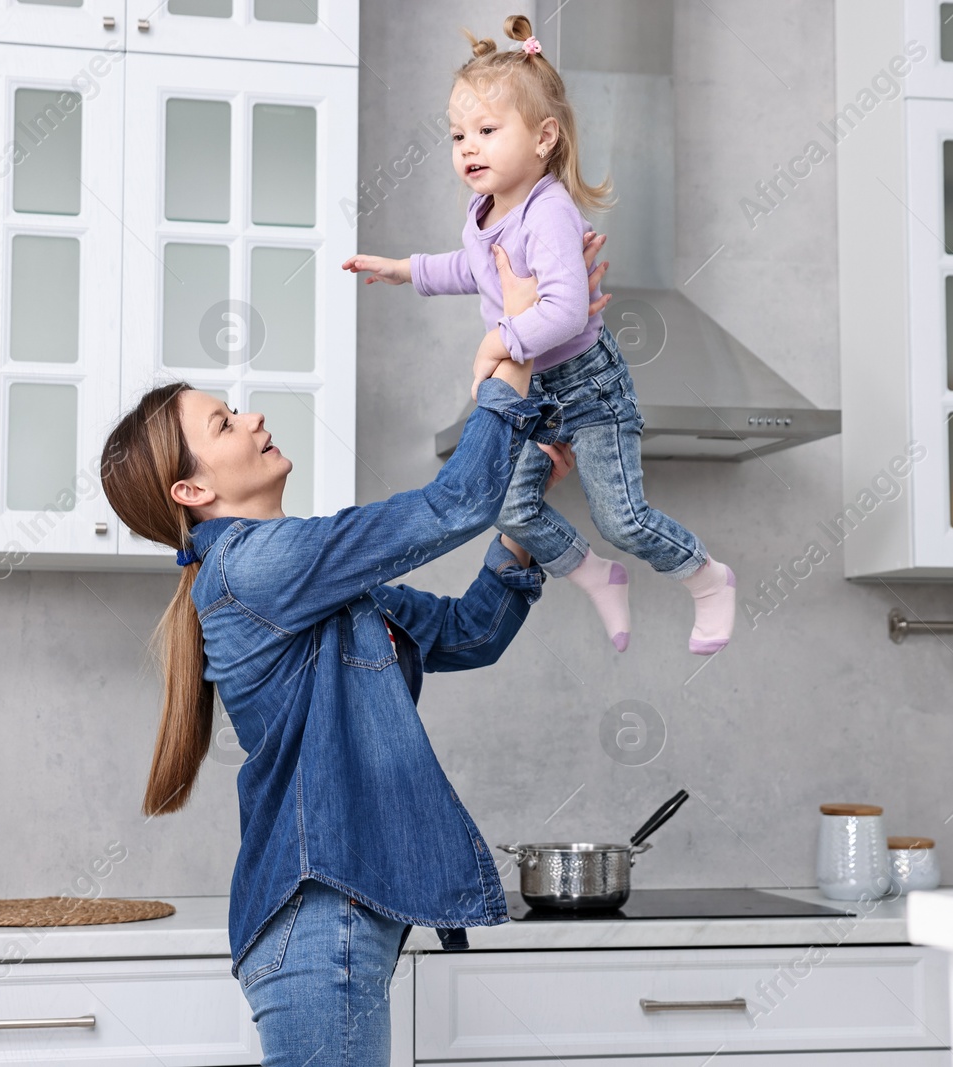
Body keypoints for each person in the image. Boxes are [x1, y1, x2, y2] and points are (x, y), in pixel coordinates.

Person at [100, 238, 611, 1067]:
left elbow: (469, 634)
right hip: (316, 922)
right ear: (192, 492)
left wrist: (523, 522)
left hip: (333, 926)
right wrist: (510, 357)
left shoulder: (312, 587)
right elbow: (452, 504)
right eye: (224, 424)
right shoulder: (254, 565)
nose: (254, 417)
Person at [342, 14, 736, 656]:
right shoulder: (486, 211)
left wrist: (497, 343)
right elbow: (469, 267)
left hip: (587, 389)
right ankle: (593, 575)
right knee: (508, 506)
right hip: (537, 392)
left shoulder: (548, 211)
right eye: (457, 134)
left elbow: (564, 312)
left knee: (623, 519)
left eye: (487, 131)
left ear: (544, 137)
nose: (467, 146)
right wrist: (402, 269)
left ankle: (707, 577)